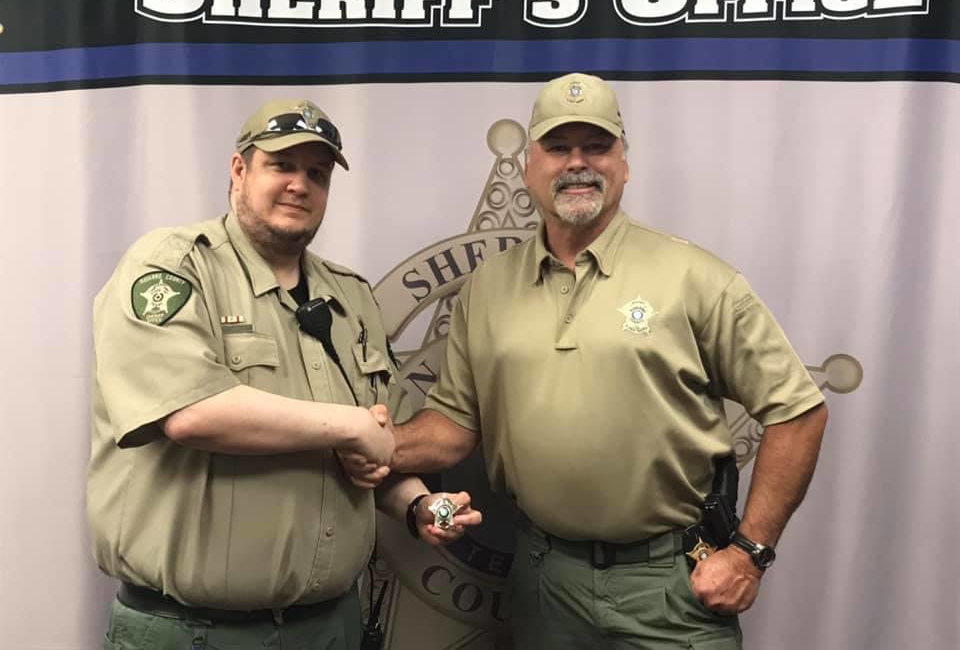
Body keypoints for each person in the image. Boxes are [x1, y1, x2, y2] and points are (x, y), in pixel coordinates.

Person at [352, 73, 828, 649]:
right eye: (558, 147)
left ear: (623, 163)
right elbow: (454, 428)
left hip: (670, 583)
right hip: (543, 580)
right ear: (530, 165)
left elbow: (797, 411)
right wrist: (362, 442)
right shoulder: (488, 289)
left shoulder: (696, 278)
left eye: (596, 146)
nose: (577, 163)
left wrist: (750, 553)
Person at [86, 98, 480, 650]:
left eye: (317, 174)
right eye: (282, 165)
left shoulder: (351, 297)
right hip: (192, 632)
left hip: (328, 626)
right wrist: (351, 426)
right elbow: (189, 413)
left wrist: (418, 505)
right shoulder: (174, 265)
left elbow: (373, 449)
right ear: (239, 170)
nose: (300, 185)